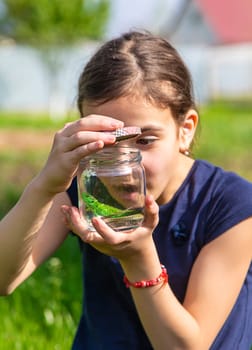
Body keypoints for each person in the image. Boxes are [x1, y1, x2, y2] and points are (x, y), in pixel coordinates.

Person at [0, 30, 252, 350]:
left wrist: (138, 259)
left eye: (145, 140)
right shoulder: (86, 189)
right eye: (108, 142)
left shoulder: (231, 204)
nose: (125, 160)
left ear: (185, 130)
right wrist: (44, 186)